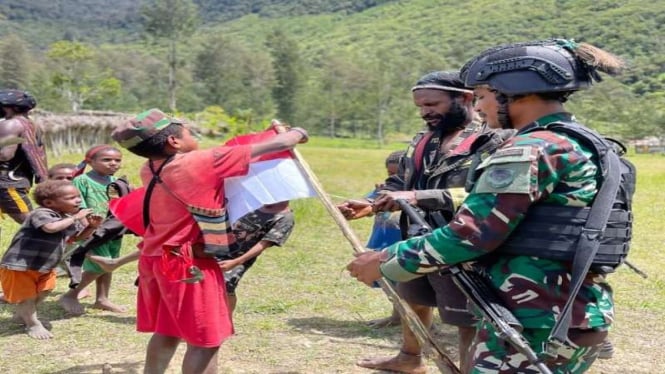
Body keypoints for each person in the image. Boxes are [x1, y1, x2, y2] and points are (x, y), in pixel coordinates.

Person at [347, 39, 627, 373]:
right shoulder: (592, 146)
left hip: (531, 322)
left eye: (481, 96)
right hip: (574, 313)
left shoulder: (530, 150)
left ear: (514, 91)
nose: (478, 108)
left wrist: (385, 260)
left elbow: (471, 233)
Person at [338, 71, 512, 373]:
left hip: (461, 240)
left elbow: (482, 195)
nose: (425, 112)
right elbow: (400, 180)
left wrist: (421, 196)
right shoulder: (423, 140)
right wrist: (369, 205)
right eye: (420, 106)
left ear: (465, 98)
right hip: (416, 236)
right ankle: (410, 357)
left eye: (433, 104)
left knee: (465, 317)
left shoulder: (494, 139)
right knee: (412, 298)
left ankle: (466, 369)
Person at [110, 108, 307, 374]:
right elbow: (282, 143)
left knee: (168, 330)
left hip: (160, 256)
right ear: (174, 141)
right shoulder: (201, 162)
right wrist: (298, 133)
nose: (194, 135)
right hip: (190, 262)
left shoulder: (150, 168)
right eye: (188, 132)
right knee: (205, 342)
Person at [0, 179, 102, 339]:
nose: (77, 200)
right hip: (20, 265)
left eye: (77, 197)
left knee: (44, 291)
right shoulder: (41, 213)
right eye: (71, 198)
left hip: (45, 265)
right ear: (49, 202)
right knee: (28, 297)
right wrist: (75, 218)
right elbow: (50, 228)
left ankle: (23, 315)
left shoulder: (66, 217)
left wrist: (91, 226)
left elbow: (75, 239)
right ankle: (32, 324)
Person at [59, 145, 126, 315]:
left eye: (117, 160)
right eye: (106, 160)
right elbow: (78, 206)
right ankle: (70, 295)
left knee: (109, 263)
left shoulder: (116, 182)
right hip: (93, 231)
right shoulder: (82, 181)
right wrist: (88, 228)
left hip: (113, 230)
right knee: (103, 264)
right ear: (90, 161)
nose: (113, 163)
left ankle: (102, 299)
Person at [217, 201, 295, 319]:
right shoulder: (251, 203)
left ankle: (226, 321)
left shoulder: (285, 218)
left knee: (226, 285)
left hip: (238, 258)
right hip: (216, 247)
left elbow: (263, 245)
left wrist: (236, 262)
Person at [364, 150, 405, 329]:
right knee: (390, 282)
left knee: (409, 285)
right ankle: (397, 316)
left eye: (399, 174)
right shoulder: (382, 190)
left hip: (404, 245)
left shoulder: (418, 192)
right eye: (390, 174)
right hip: (383, 242)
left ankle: (419, 321)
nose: (394, 178)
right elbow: (366, 203)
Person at [0, 89, 48, 224]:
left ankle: (64, 239)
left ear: (11, 107)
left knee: (33, 224)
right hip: (17, 180)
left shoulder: (10, 124)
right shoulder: (32, 124)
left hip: (7, 183)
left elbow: (4, 155)